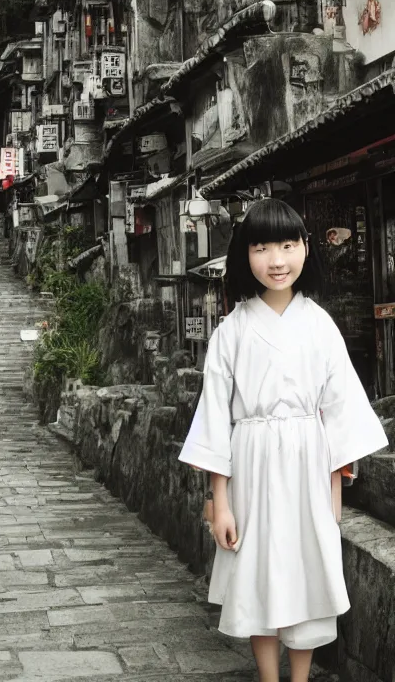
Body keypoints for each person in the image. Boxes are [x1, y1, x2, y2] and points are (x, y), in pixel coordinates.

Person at [179, 198, 387, 682]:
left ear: (305, 249)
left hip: (309, 468)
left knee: (306, 569)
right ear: (245, 256)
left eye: (288, 245)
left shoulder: (320, 325)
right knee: (259, 572)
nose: (277, 260)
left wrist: (334, 493)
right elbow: (214, 420)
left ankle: (300, 677)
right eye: (262, 247)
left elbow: (341, 413)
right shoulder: (231, 331)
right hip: (250, 465)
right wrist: (220, 503)